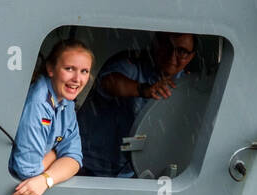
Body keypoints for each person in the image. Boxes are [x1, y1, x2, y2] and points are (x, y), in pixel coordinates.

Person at [77, 32, 197, 177]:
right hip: (87, 166)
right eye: (167, 46)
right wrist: (144, 89)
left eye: (182, 51)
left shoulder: (188, 85)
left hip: (133, 174)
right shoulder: (131, 63)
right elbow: (110, 82)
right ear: (156, 44)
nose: (172, 56)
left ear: (191, 56)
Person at [8, 39, 94, 195]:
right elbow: (28, 172)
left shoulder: (66, 101)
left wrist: (47, 179)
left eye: (84, 71)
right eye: (69, 69)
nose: (77, 79)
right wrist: (56, 153)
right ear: (50, 69)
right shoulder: (39, 102)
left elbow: (75, 157)